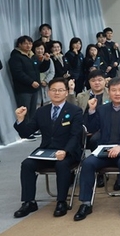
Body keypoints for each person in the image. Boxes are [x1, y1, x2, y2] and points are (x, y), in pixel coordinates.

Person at [73, 77, 120, 220]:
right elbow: (92, 128)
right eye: (114, 90)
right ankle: (86, 203)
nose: (117, 93)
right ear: (109, 92)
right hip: (105, 151)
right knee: (87, 163)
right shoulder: (102, 109)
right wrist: (91, 111)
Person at [13, 78, 84, 218]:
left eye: (60, 90)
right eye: (53, 90)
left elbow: (76, 136)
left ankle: (61, 201)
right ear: (48, 92)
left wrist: (65, 151)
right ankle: (29, 202)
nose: (57, 93)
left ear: (66, 92)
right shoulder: (41, 111)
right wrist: (21, 119)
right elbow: (26, 133)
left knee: (62, 164)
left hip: (68, 152)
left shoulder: (75, 111)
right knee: (27, 164)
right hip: (46, 151)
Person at [9, 35, 41, 122]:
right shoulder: (16, 57)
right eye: (26, 44)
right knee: (24, 111)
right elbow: (18, 73)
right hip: (23, 89)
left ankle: (31, 128)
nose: (28, 46)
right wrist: (31, 82)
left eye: (30, 43)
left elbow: (40, 69)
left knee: (33, 111)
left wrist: (46, 61)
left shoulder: (33, 56)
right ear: (19, 44)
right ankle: (24, 128)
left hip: (34, 88)